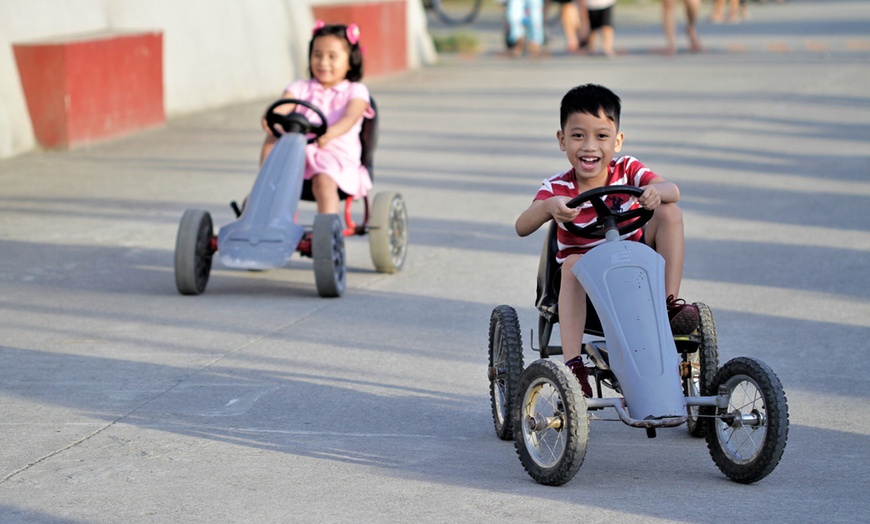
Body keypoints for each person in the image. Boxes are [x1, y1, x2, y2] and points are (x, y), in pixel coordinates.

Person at [515, 84, 699, 397]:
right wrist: (548, 207)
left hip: (633, 280)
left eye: (601, 136)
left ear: (617, 141)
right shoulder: (558, 187)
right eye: (578, 136)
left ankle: (666, 307)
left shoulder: (628, 170)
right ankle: (574, 367)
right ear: (562, 140)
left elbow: (673, 189)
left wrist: (657, 192)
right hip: (583, 292)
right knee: (573, 262)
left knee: (670, 212)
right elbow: (522, 226)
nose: (589, 147)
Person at [259, 21, 374, 215]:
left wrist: (330, 133)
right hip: (300, 153)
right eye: (317, 55)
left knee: (323, 181)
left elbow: (350, 117)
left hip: (335, 156)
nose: (323, 62)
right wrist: (273, 118)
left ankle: (327, 229)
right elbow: (286, 102)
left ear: (350, 61)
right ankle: (265, 191)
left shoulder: (355, 91)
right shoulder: (301, 87)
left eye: (332, 56)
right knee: (273, 138)